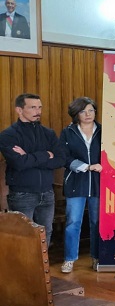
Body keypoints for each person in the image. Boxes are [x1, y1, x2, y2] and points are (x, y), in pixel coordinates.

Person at [0, 93, 65, 246]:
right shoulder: (8, 135)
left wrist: (29, 157)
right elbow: (19, 164)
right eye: (32, 107)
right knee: (23, 236)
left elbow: (60, 160)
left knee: (46, 232)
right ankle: (23, 270)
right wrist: (46, 155)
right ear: (19, 110)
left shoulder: (48, 133)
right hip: (22, 194)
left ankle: (42, 270)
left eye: (40, 107)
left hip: (47, 192)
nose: (38, 111)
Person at [58, 97, 102, 274]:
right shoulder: (67, 132)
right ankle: (69, 259)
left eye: (91, 110)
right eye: (83, 111)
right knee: (73, 222)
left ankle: (97, 257)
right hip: (76, 182)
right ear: (76, 114)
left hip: (99, 183)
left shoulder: (103, 131)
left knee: (97, 221)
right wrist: (87, 167)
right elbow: (64, 157)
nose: (88, 114)